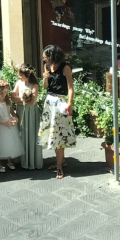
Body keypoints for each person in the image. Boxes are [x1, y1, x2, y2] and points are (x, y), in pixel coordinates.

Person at [38, 45, 76, 179]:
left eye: (45, 57)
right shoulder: (47, 67)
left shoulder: (65, 67)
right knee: (52, 134)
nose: (44, 60)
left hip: (60, 103)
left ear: (52, 56)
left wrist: (70, 104)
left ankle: (59, 167)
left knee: (58, 135)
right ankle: (62, 161)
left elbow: (70, 87)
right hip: (49, 102)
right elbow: (46, 87)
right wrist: (45, 78)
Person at [0, 80, 24, 172]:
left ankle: (9, 161)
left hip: (9, 123)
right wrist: (4, 123)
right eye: (2, 93)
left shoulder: (8, 101)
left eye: (6, 93)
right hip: (0, 124)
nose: (4, 95)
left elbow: (11, 112)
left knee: (9, 142)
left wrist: (15, 118)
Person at [11, 64, 44, 170]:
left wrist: (21, 100)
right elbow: (12, 97)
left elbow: (32, 102)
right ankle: (21, 159)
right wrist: (23, 99)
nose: (18, 76)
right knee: (21, 133)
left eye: (20, 75)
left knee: (31, 134)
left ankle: (32, 160)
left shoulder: (34, 85)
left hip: (31, 112)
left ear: (27, 75)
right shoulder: (18, 83)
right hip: (21, 111)